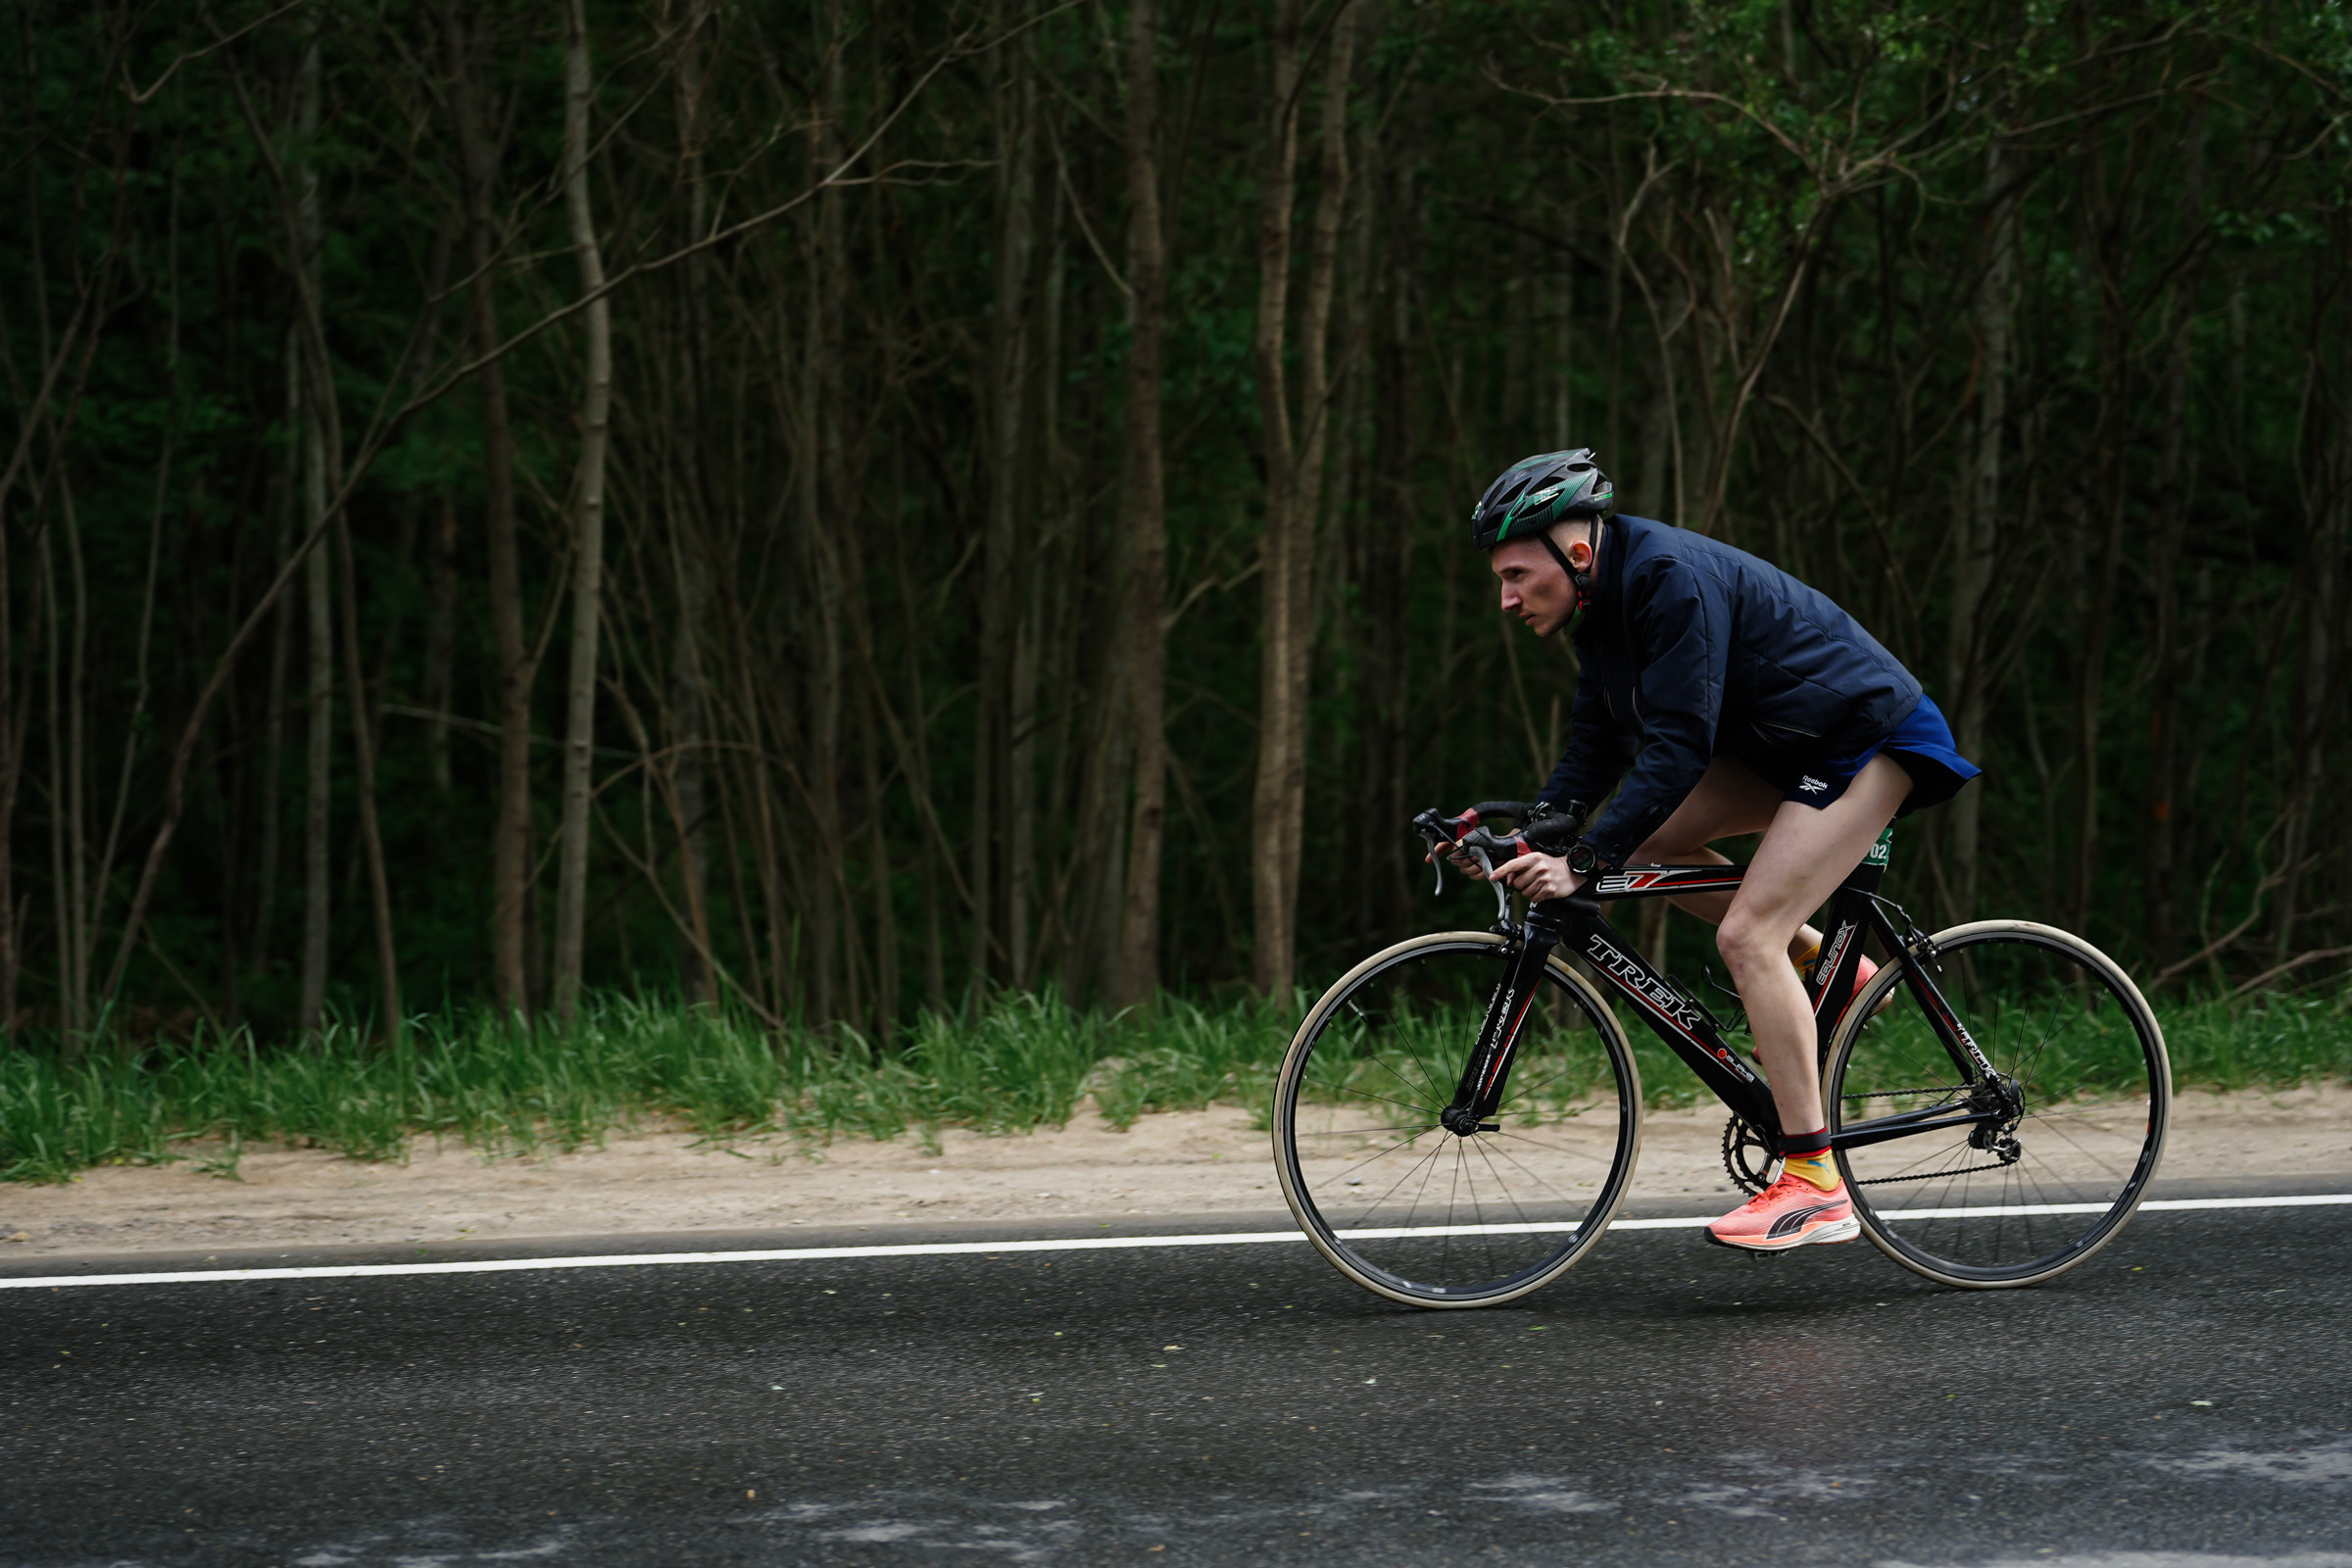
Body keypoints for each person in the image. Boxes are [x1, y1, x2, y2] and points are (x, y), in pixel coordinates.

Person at [1455, 449, 1981, 1252]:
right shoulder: (1602, 617)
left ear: (1578, 553)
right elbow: (1592, 753)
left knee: (1745, 935)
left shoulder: (1667, 578)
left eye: (1519, 575)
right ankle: (1820, 963)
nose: (1507, 598)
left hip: (1867, 740)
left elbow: (1677, 748)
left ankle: (1815, 1182)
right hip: (1788, 746)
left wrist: (1582, 864)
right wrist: (1527, 838)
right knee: (1647, 853)